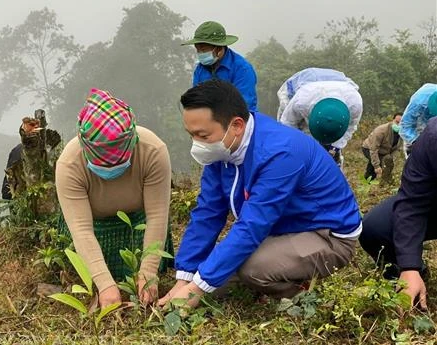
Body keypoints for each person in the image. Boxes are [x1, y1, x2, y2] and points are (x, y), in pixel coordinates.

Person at [158, 80, 361, 308]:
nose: (197, 144)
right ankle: (273, 268)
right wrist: (184, 279)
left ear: (236, 125)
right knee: (206, 279)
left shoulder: (281, 153)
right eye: (191, 135)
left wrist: (195, 290)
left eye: (203, 135)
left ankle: (300, 296)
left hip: (326, 235)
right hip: (280, 228)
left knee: (251, 269)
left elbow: (253, 225)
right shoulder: (223, 149)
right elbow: (207, 213)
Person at [55, 88, 172, 308]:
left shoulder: (153, 151)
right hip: (93, 224)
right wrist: (105, 285)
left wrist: (148, 272)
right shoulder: (69, 164)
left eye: (118, 163)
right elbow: (81, 229)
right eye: (104, 164)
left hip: (138, 222)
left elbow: (157, 215)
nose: (111, 170)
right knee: (95, 277)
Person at [359, 118, 437, 310]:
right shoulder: (433, 136)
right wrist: (410, 266)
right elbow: (412, 203)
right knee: (374, 227)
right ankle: (409, 274)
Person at [276, 68, 363, 166]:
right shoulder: (301, 102)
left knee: (331, 154)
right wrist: (299, 147)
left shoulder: (354, 104)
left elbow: (350, 127)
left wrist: (335, 147)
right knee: (294, 146)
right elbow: (287, 123)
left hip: (339, 85)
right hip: (302, 86)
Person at [182, 21, 258, 112]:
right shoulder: (200, 69)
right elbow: (196, 99)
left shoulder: (242, 69)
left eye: (204, 50)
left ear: (219, 48)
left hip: (239, 120)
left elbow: (243, 105)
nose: (200, 53)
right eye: (198, 50)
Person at [361, 113, 403, 183]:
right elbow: (373, 149)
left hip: (384, 151)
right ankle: (367, 183)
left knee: (388, 162)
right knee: (373, 166)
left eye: (401, 123)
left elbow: (396, 148)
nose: (398, 125)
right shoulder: (381, 130)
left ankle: (385, 182)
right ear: (393, 120)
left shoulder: (402, 132)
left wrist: (390, 157)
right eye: (397, 122)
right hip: (369, 148)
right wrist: (376, 166)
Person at [399, 83, 437, 157]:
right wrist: (416, 142)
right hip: (415, 132)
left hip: (433, 134)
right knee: (416, 161)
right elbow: (405, 125)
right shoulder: (418, 102)